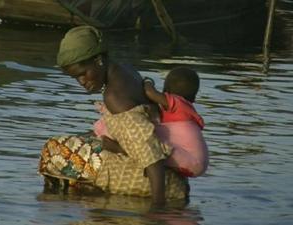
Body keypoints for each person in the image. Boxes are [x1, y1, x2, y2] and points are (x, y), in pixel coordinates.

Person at [38, 25, 189, 207]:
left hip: (157, 183)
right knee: (70, 145)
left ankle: (74, 201)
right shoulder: (123, 70)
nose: (82, 82)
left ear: (99, 60)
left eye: (83, 74)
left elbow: (150, 153)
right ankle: (90, 198)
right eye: (76, 78)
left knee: (53, 152)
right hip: (160, 177)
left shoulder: (114, 96)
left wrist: (157, 209)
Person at [94, 67, 209, 177]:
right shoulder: (186, 110)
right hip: (195, 162)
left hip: (191, 160)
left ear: (166, 91)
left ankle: (121, 148)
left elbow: (150, 92)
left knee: (150, 145)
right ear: (194, 98)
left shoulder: (178, 103)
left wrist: (148, 82)